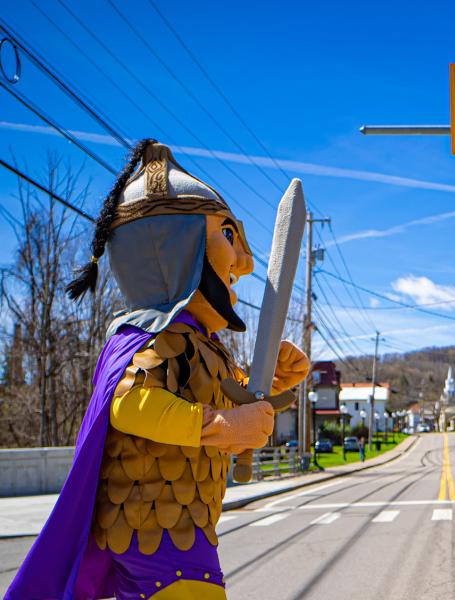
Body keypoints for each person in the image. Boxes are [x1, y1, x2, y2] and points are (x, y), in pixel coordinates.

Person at [7, 141, 309, 600]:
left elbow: (217, 395)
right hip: (154, 529)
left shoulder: (199, 345)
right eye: (229, 236)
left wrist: (268, 384)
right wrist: (221, 427)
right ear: (176, 247)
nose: (245, 263)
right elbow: (131, 404)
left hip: (178, 526)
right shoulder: (148, 340)